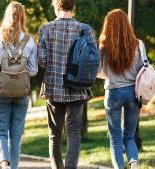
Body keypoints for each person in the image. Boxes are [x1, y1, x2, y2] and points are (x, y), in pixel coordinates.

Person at [37, 0, 96, 168]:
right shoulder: (85, 29)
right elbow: (93, 60)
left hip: (53, 88)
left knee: (54, 134)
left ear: (56, 7)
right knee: (74, 132)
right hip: (78, 87)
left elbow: (41, 61)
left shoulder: (45, 29)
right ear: (73, 7)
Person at [0, 2, 38, 169]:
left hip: (1, 90)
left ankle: (4, 163)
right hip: (21, 92)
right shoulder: (29, 41)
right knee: (16, 136)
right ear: (23, 17)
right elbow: (34, 70)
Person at [98, 9, 142, 169]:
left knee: (115, 137)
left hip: (113, 92)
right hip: (133, 93)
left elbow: (97, 71)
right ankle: (134, 163)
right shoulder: (138, 44)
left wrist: (111, 75)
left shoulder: (104, 46)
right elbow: (141, 70)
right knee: (129, 136)